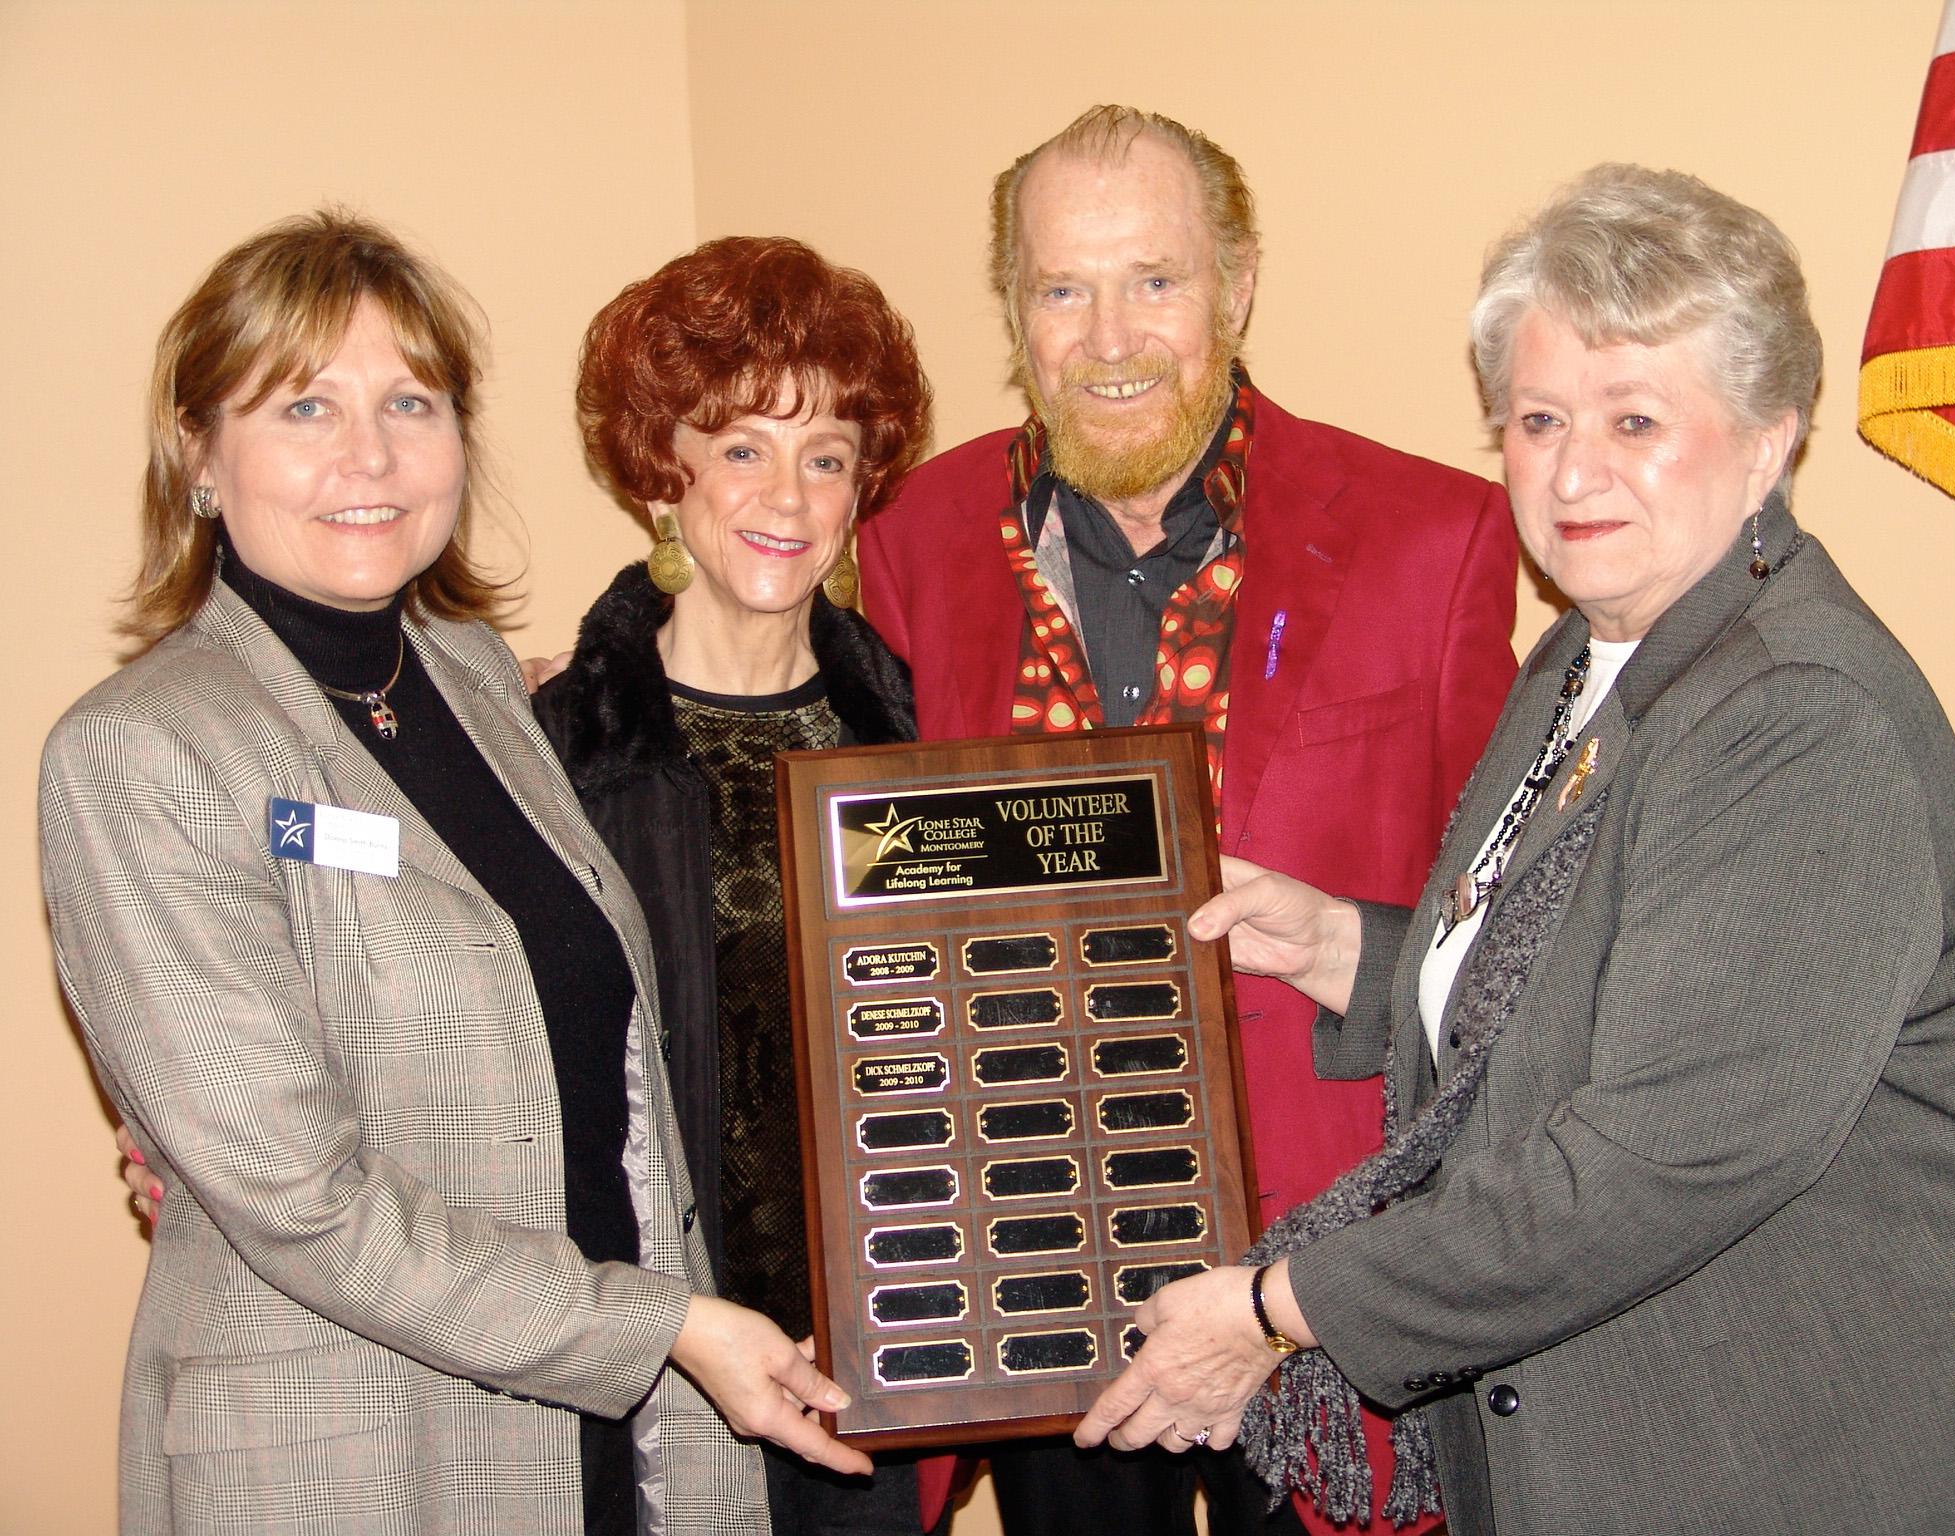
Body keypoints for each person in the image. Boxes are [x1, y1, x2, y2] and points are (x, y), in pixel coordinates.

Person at [1073, 165, 1955, 1535]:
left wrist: (1275, 1308)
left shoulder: (1801, 720)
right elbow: (1583, 978)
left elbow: (1648, 1163)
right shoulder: (1591, 657)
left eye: (1635, 419)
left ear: (1768, 440)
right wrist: (1355, 950)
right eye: (1538, 419)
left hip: (1821, 1451)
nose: (1573, 470)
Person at [44, 212, 867, 1536]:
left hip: (603, 1446)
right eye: (304, 405)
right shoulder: (143, 753)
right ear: (199, 452)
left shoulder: (485, 687)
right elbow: (304, 1207)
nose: (368, 455)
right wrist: (667, 1326)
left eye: (409, 402)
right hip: (352, 1457)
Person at [857, 106, 1519, 1536]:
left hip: (1321, 1287)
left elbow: (1517, 930)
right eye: (1062, 287)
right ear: (1014, 307)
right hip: (1036, 1273)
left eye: (1155, 280)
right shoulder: (908, 540)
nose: (1110, 336)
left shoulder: (1436, 538)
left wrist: (1351, 942)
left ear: (1239, 282)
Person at [530, 236, 932, 1535]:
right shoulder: (556, 749)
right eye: (744, 445)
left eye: (828, 455)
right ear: (666, 467)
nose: (791, 494)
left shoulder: (920, 734)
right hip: (659, 1377)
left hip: (883, 1367)